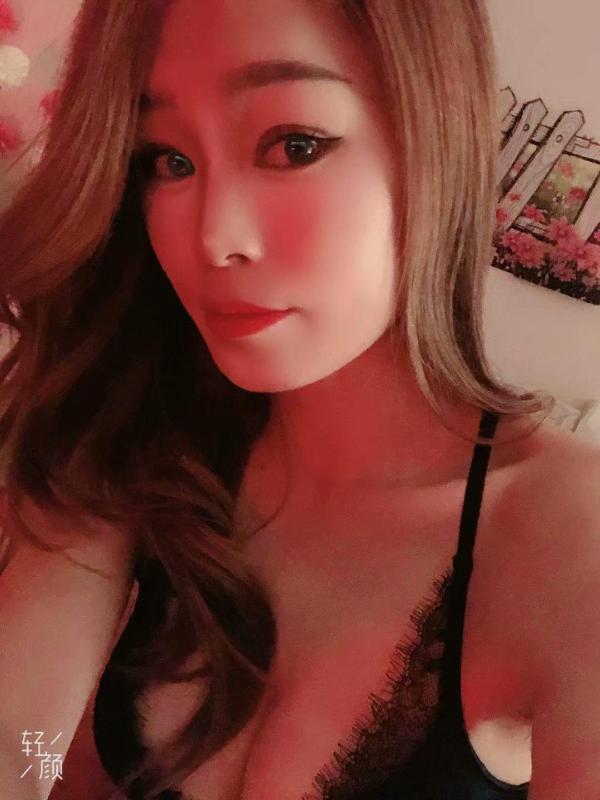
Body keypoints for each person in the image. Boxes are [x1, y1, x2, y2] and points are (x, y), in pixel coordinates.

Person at [1, 0, 599, 798]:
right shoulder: (147, 432)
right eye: (167, 159)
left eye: (294, 145)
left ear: (433, 139)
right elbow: (26, 746)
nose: (214, 238)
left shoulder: (567, 538)